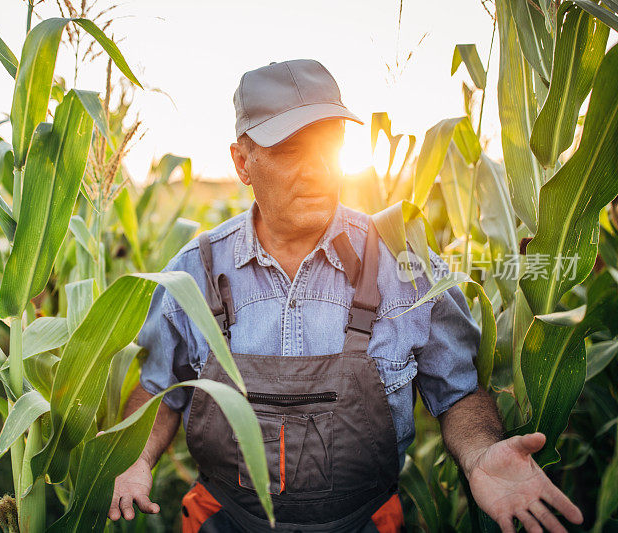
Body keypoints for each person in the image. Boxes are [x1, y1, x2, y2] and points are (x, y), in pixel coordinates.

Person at [107, 59, 584, 532]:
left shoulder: (406, 266)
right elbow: (158, 390)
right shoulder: (195, 273)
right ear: (242, 162)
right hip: (225, 520)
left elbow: (457, 390)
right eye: (291, 150)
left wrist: (481, 453)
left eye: (329, 146)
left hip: (365, 522)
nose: (317, 170)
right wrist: (136, 458)